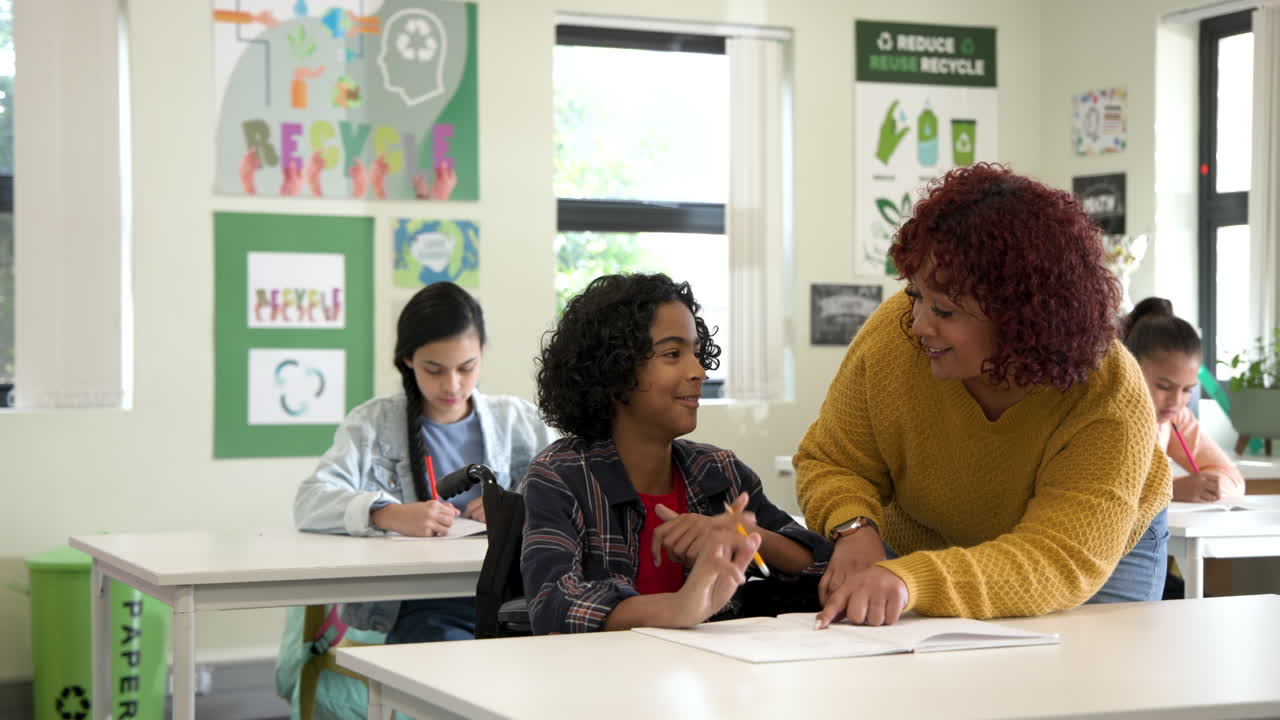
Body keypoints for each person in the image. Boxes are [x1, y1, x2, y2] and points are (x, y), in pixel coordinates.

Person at [795, 163, 1171, 628]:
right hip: (924, 541)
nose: (918, 323)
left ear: (1023, 320)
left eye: (945, 310)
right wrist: (853, 528)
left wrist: (913, 579)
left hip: (1092, 552)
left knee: (1084, 668)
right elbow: (833, 460)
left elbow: (1057, 558)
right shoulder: (893, 338)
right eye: (916, 294)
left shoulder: (1108, 391)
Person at [279, 282, 556, 716]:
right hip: (421, 609)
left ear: (482, 352)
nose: (453, 384)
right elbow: (310, 501)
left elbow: (569, 494)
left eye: (467, 367)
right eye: (434, 369)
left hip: (515, 603)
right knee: (457, 685)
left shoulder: (519, 421)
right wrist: (387, 514)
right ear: (408, 360)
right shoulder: (372, 423)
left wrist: (516, 508)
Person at [521, 273, 831, 634]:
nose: (699, 371)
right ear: (614, 371)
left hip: (714, 667)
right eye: (672, 354)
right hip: (606, 668)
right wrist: (681, 607)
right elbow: (553, 605)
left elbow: (826, 568)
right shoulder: (561, 475)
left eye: (697, 353)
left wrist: (746, 536)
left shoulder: (720, 472)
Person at [1121, 297, 1244, 503]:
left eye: (1187, 390)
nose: (1176, 401)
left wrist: (1209, 487)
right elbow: (1102, 489)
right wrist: (1171, 490)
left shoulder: (1174, 417)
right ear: (1132, 370)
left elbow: (1233, 479)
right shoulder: (1108, 417)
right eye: (1164, 386)